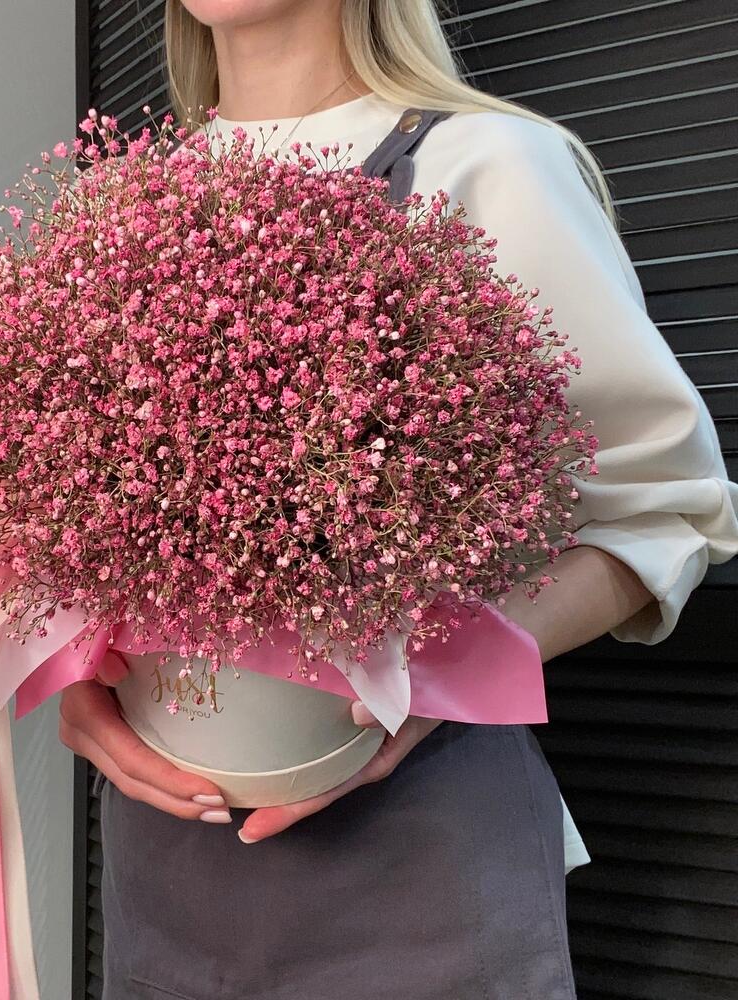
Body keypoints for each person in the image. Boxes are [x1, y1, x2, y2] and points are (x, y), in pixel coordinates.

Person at [58, 2, 738, 998]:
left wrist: (438, 673)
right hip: (163, 881)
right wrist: (78, 680)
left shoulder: (491, 164)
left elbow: (661, 511)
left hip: (417, 874)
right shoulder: (119, 206)